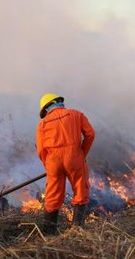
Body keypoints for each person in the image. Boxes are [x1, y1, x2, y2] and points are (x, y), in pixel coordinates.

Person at [36, 93, 95, 234]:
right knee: (80, 190)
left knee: (52, 195)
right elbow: (90, 134)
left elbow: (41, 150)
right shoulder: (76, 114)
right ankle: (76, 230)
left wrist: (49, 166)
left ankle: (48, 234)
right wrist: (81, 154)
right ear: (59, 102)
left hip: (52, 161)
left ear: (46, 108)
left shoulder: (42, 124)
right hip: (74, 157)